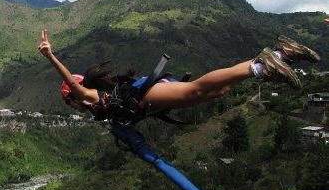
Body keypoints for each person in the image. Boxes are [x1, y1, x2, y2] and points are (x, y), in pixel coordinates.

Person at [37, 29, 320, 120]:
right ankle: (280, 54)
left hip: (145, 92)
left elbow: (71, 85)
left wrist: (51, 56)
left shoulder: (91, 95)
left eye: (71, 100)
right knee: (217, 92)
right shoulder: (98, 104)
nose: (76, 105)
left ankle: (259, 67)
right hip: (148, 93)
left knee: (194, 91)